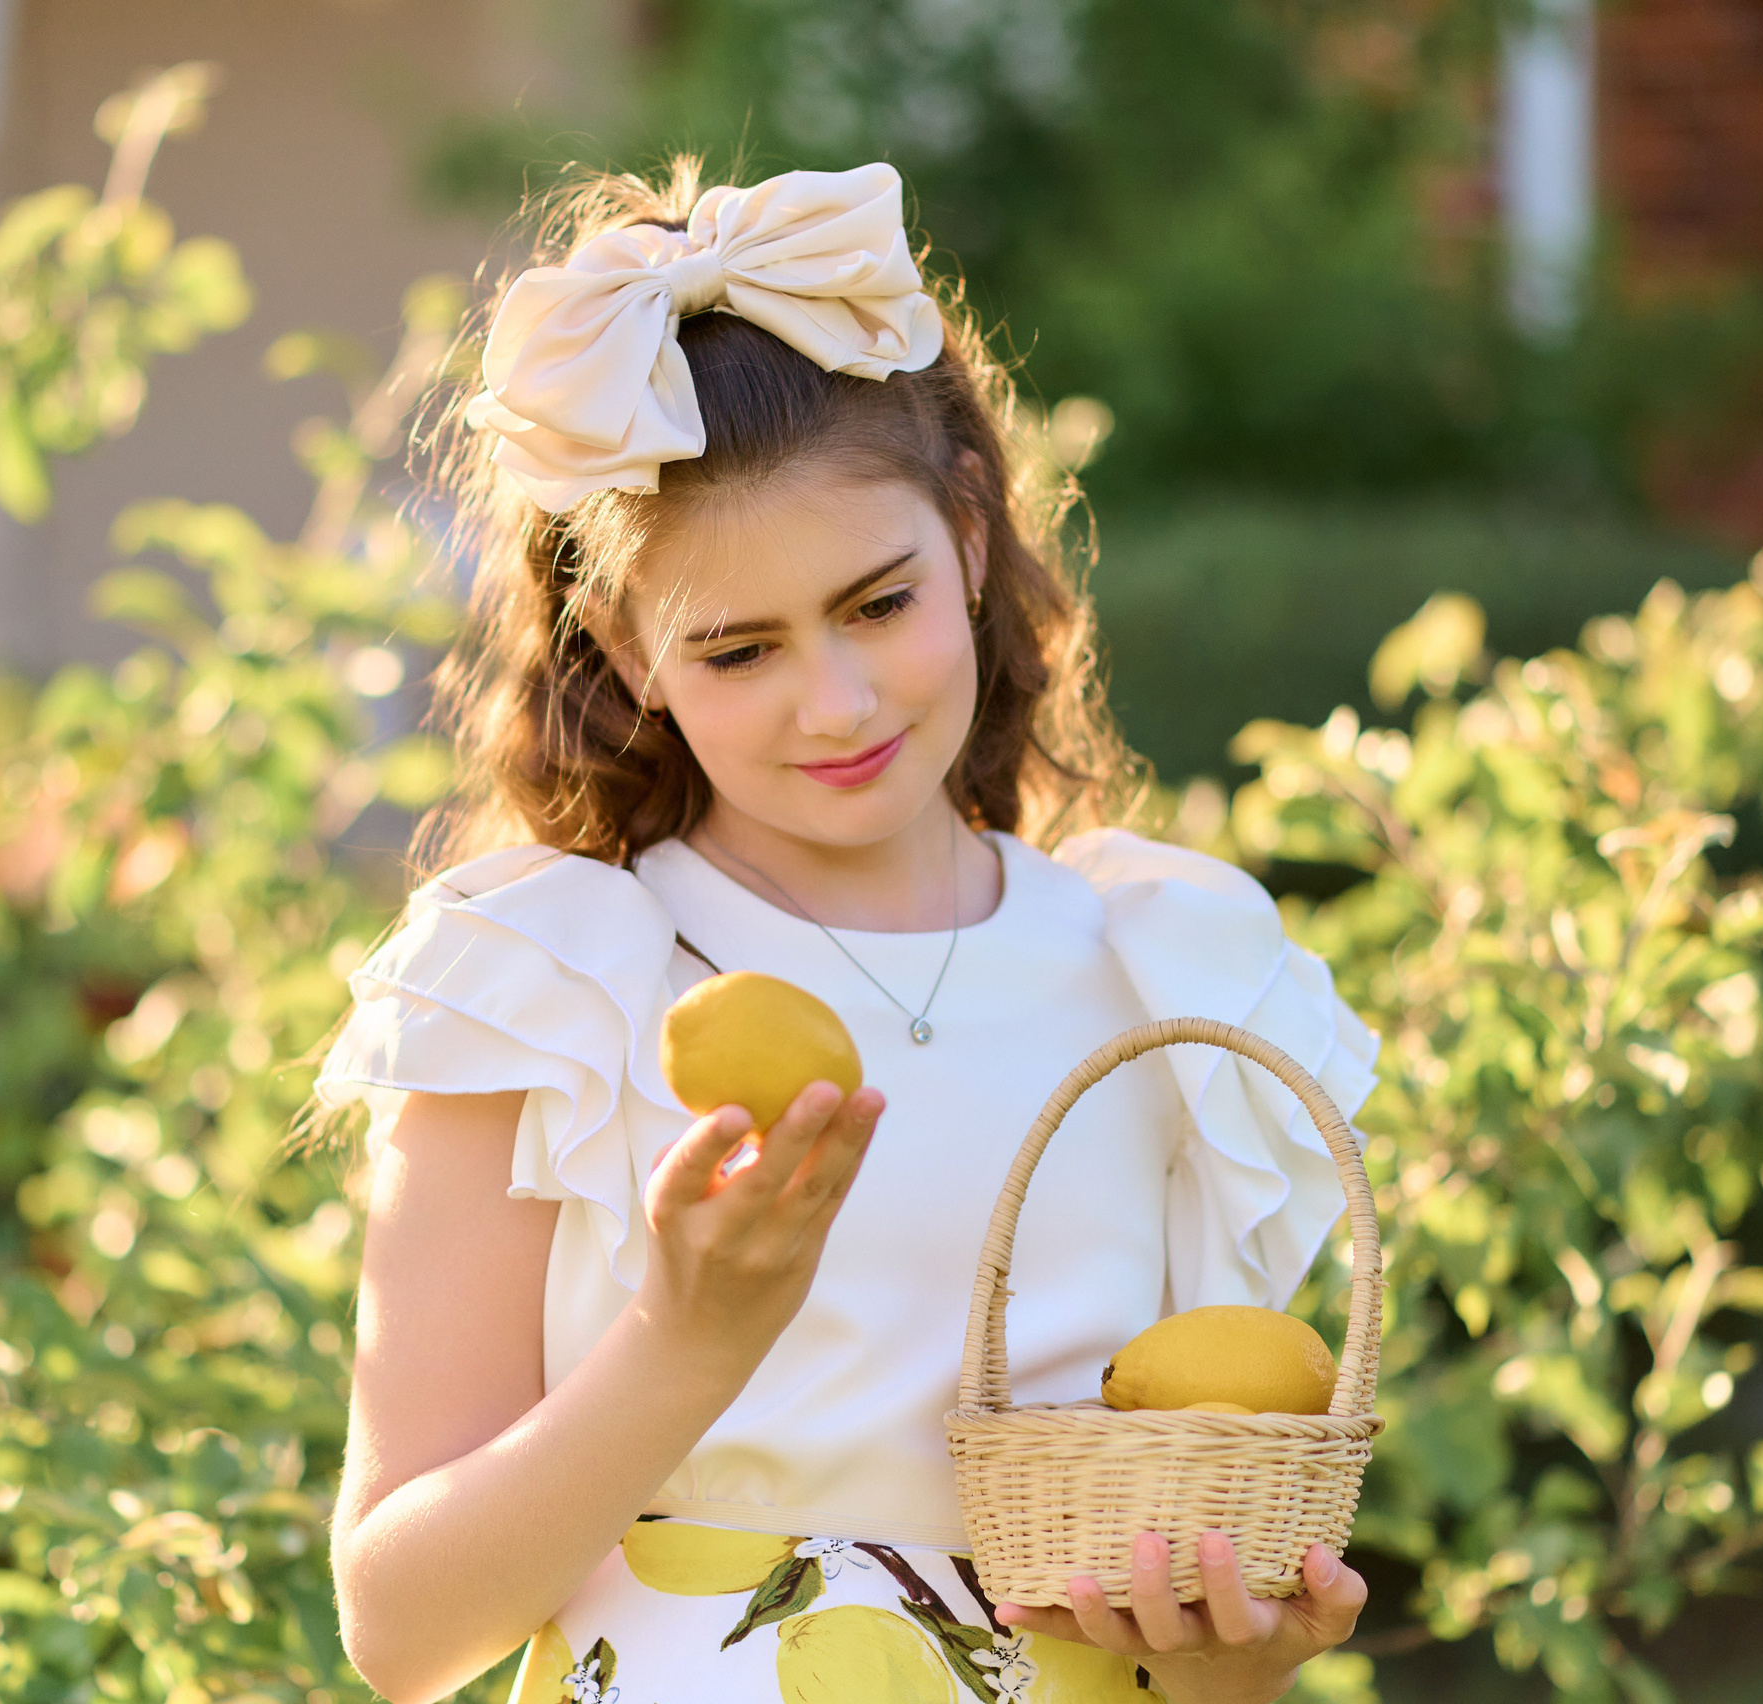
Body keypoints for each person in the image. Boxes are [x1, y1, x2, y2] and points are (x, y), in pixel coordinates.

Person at [316, 158, 1379, 1704]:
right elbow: (400, 1632)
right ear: (625, 649)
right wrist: (688, 1338)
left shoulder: (1157, 976)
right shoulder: (552, 988)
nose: (840, 703)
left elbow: (1182, 1640)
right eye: (740, 649)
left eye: (878, 605)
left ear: (965, 531)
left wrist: (1236, 1657)